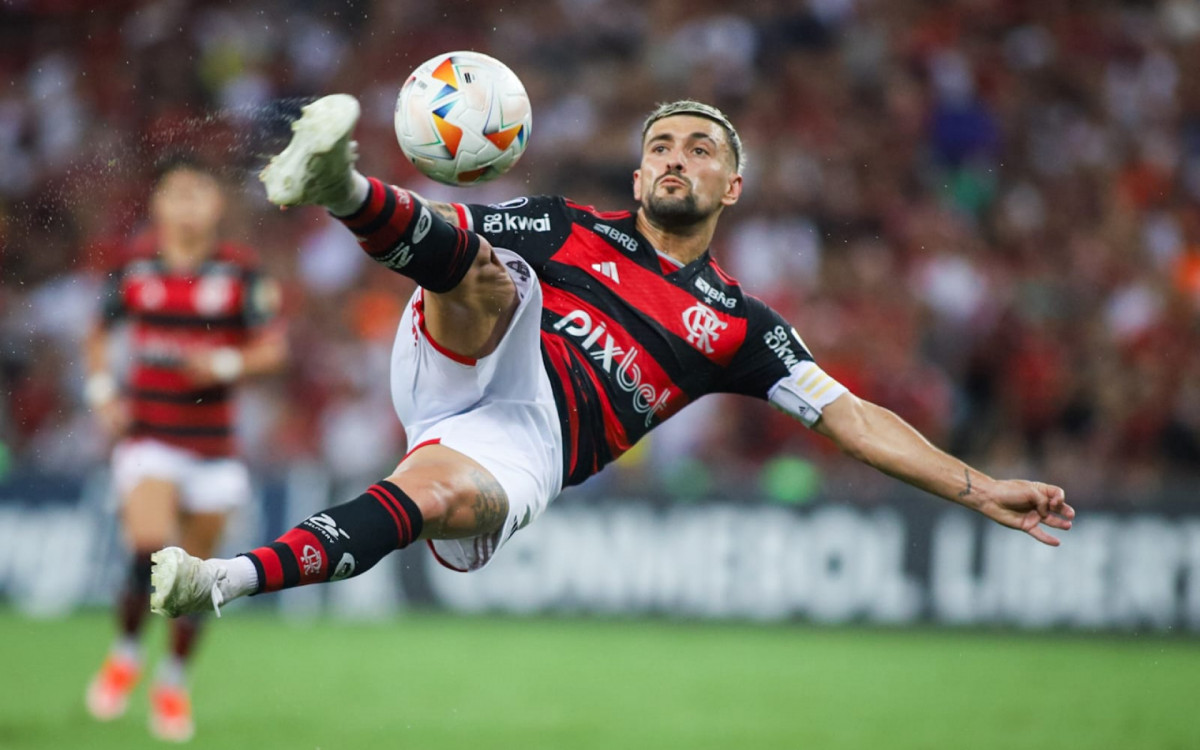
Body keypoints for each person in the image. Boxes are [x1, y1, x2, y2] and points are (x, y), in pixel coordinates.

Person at [149, 94, 1073, 622]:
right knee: (491, 269)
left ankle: (220, 580)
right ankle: (339, 183)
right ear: (636, 177)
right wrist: (378, 204)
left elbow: (854, 420)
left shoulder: (738, 327)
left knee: (433, 500)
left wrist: (979, 487)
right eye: (660, 147)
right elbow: (444, 231)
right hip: (464, 352)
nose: (676, 158)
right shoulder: (565, 226)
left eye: (700, 150)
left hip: (528, 442)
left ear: (732, 185)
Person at [83, 155, 287, 742]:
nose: (187, 204)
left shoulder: (241, 271)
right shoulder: (134, 265)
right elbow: (97, 332)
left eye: (199, 193)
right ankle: (126, 653)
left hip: (215, 448)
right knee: (150, 548)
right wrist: (103, 392)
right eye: (176, 193)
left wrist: (224, 363)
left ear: (217, 205)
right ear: (158, 204)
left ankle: (171, 682)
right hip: (150, 436)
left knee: (195, 578)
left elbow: (273, 350)